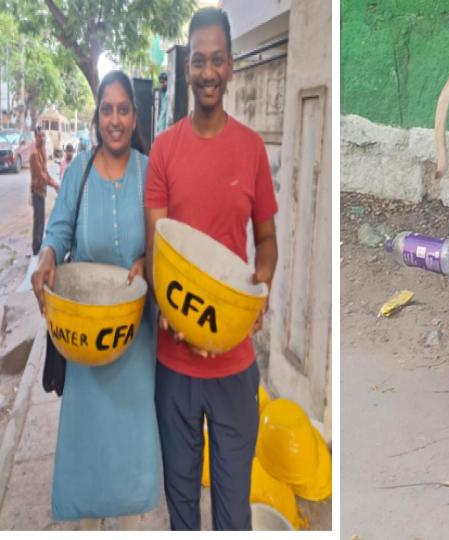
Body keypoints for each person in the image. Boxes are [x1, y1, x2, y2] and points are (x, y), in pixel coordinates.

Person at [145, 7, 278, 531]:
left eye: (216, 60)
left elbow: (265, 240)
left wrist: (262, 288)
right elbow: (159, 254)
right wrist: (179, 319)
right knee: (182, 513)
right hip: (175, 367)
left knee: (232, 514)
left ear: (231, 66)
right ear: (186, 69)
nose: (207, 72)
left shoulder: (250, 150)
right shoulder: (163, 150)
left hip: (234, 367)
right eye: (197, 60)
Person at [31, 70, 161, 530]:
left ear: (134, 116)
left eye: (123, 109)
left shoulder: (152, 172)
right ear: (97, 117)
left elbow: (164, 238)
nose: (115, 119)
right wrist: (47, 256)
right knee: (89, 460)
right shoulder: (78, 171)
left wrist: (149, 259)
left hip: (134, 344)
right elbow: (59, 231)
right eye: (107, 109)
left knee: (128, 460)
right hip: (85, 344)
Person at [29, 126, 60, 255]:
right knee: (39, 220)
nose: (42, 138)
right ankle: (36, 249)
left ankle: (39, 245)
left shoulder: (42, 150)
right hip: (37, 190)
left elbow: (46, 171)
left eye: (43, 135)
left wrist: (54, 182)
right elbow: (41, 174)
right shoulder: (34, 154)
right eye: (39, 136)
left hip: (42, 190)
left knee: (41, 219)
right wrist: (54, 185)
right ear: (35, 137)